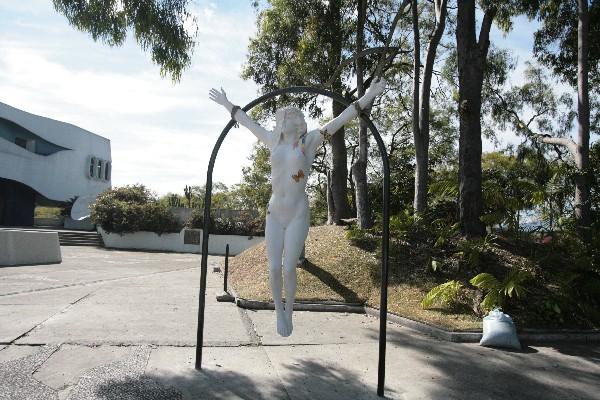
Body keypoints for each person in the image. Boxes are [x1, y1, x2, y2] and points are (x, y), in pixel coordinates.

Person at [209, 80, 386, 336]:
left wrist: (369, 94)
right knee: (273, 267)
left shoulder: (309, 141)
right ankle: (279, 313)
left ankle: (289, 311)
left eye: (290, 114)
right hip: (274, 210)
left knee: (289, 266)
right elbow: (247, 122)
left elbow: (342, 118)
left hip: (297, 212)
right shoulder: (272, 141)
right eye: (283, 115)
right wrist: (227, 104)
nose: (285, 116)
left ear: (297, 121)